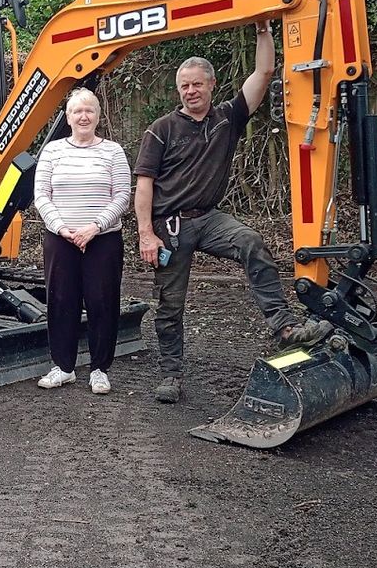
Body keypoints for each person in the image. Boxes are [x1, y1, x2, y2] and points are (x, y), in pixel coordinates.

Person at [133, 23, 317, 405]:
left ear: (211, 84)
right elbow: (144, 185)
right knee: (170, 303)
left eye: (197, 84)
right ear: (178, 89)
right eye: (184, 85)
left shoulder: (226, 118)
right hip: (171, 227)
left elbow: (263, 73)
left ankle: (282, 326)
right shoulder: (161, 129)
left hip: (210, 218)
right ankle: (171, 374)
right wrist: (146, 234)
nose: (191, 91)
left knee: (250, 241)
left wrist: (264, 30)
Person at [33, 89, 131, 394]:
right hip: (61, 240)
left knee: (102, 302)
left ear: (98, 116)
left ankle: (100, 369)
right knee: (61, 301)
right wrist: (62, 228)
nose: (83, 116)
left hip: (103, 240)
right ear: (68, 118)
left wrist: (94, 226)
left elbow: (123, 196)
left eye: (89, 111)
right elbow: (41, 195)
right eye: (77, 111)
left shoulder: (113, 152)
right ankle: (63, 367)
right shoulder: (52, 151)